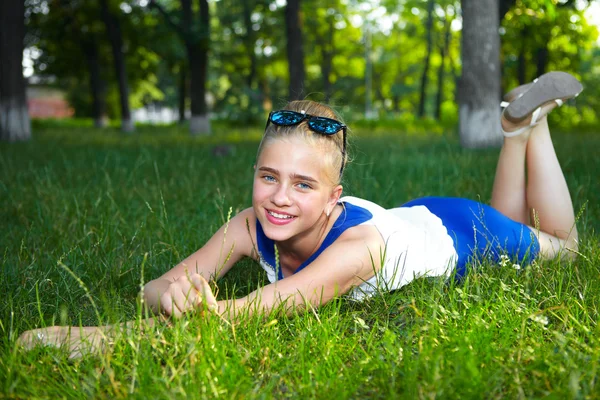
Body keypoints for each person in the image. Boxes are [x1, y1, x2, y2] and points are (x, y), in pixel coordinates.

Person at [17, 71, 582, 357]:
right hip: (418, 216)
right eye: (269, 177)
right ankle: (514, 130)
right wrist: (170, 294)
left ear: (335, 198)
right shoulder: (249, 223)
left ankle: (535, 129)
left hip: (455, 234)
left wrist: (98, 338)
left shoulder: (358, 251)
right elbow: (154, 289)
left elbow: (251, 312)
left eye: (303, 184)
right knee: (508, 220)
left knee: (559, 245)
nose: (279, 198)